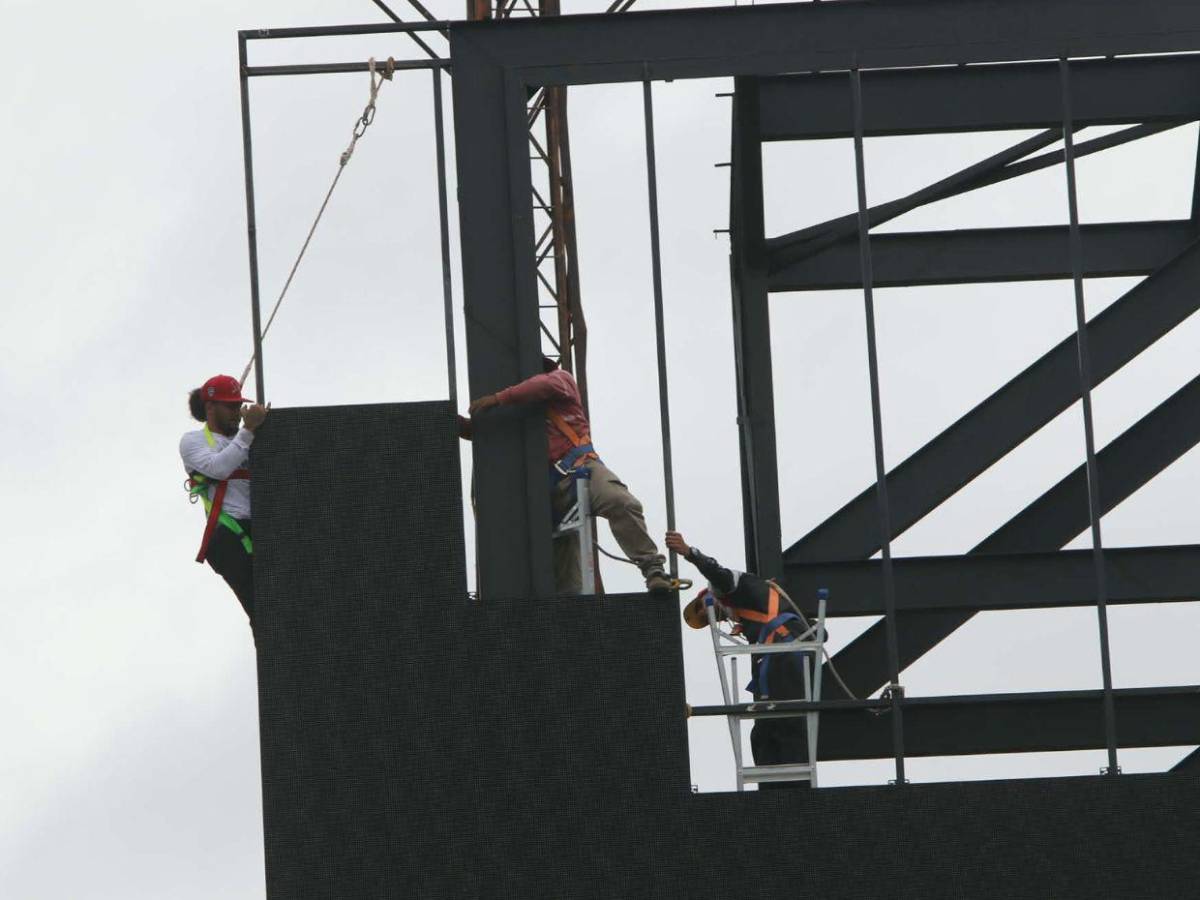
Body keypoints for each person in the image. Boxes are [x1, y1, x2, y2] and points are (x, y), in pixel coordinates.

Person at [466, 356, 670, 594]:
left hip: (583, 470)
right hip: (549, 491)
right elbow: (480, 434)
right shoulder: (519, 412)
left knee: (620, 502)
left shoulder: (560, 380)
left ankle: (652, 569)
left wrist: (498, 399)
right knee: (567, 581)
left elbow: (543, 386)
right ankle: (569, 620)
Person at [667, 530, 813, 789]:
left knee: (785, 725)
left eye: (707, 607)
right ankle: (775, 793)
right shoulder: (753, 609)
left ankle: (793, 796)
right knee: (765, 733)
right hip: (780, 660)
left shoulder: (732, 587)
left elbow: (717, 572)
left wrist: (690, 553)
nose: (720, 617)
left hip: (784, 658)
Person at [180, 374, 269, 627]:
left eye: (238, 406)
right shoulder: (193, 442)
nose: (237, 413)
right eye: (230, 406)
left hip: (257, 527)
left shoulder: (246, 439)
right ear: (210, 407)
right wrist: (249, 430)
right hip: (228, 535)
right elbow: (218, 468)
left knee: (282, 599)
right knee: (262, 608)